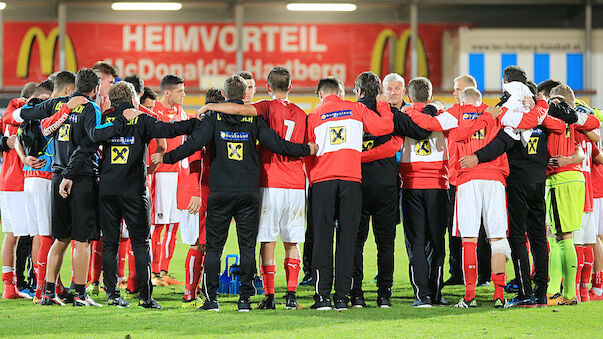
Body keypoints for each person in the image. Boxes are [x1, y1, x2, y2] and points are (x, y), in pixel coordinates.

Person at [152, 74, 316, 312]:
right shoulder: (255, 120)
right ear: (244, 95)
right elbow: (279, 144)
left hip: (220, 193)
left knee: (214, 248)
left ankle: (211, 300)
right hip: (248, 193)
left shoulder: (213, 118)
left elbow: (192, 145)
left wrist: (166, 157)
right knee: (246, 248)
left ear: (225, 95)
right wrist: (306, 149)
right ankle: (245, 301)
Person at [61, 81, 198, 308]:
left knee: (110, 244)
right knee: (141, 243)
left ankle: (113, 295)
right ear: (134, 99)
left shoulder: (104, 120)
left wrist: (68, 174)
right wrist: (196, 123)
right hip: (134, 191)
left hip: (107, 191)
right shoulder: (141, 119)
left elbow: (85, 146)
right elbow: (170, 129)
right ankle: (145, 297)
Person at [20, 68, 138, 306]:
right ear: (95, 89)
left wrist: (37, 100)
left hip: (56, 175)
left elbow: (25, 113)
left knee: (60, 238)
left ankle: (48, 292)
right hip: (82, 178)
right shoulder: (89, 107)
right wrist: (119, 122)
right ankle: (80, 295)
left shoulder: (57, 104)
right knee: (82, 240)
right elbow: (94, 136)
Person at [196, 67, 309, 310]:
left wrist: (209, 107)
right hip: (296, 184)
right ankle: (291, 296)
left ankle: (269, 296)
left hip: (269, 181)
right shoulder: (302, 114)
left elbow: (237, 108)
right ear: (290, 86)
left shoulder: (264, 107)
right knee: (292, 242)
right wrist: (308, 151)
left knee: (266, 242)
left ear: (267, 87)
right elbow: (301, 146)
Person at [305, 77, 394, 311]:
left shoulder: (314, 115)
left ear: (320, 95)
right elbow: (385, 128)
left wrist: (313, 177)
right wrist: (382, 103)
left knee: (322, 238)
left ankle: (322, 297)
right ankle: (343, 298)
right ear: (342, 92)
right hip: (352, 180)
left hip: (322, 181)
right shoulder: (357, 108)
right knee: (348, 239)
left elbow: (308, 152)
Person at [351, 73, 430, 308]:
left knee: (355, 242)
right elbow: (422, 131)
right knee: (386, 244)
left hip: (356, 185)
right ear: (380, 91)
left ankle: (356, 295)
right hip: (386, 187)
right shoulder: (392, 115)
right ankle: (384, 295)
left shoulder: (351, 114)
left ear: (358, 90)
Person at [543, 84, 601, 305]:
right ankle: (571, 293)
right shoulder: (572, 124)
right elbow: (590, 132)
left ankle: (557, 292)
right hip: (577, 181)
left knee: (561, 239)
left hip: (560, 180)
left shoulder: (552, 121)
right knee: (568, 238)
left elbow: (536, 119)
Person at [180, 88, 224, 308]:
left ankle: (196, 291)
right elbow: (194, 160)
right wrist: (196, 194)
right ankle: (189, 294)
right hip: (199, 194)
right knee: (199, 244)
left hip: (210, 192)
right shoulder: (202, 125)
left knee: (207, 245)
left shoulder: (207, 124)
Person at [150, 74, 187, 286]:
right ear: (167, 92)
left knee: (174, 224)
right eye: (180, 91)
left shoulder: (181, 112)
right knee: (158, 224)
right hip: (161, 175)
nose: (184, 94)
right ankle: (154, 273)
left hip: (178, 174)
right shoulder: (154, 111)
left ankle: (164, 271)